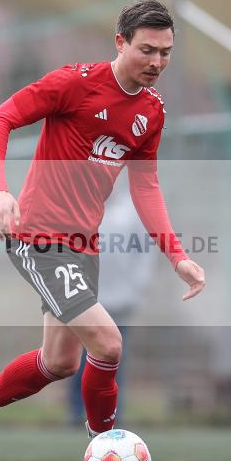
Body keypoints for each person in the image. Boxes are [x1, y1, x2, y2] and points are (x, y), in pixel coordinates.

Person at [0, 0, 206, 461]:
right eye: (146, 50)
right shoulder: (74, 82)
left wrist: (178, 256)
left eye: (166, 53)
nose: (156, 62)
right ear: (120, 43)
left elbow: (146, 187)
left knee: (59, 362)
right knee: (108, 342)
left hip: (83, 245)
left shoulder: (151, 113)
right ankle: (107, 450)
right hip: (39, 238)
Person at [67, 176, 155, 427]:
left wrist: (137, 286)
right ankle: (77, 410)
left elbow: (144, 253)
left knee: (114, 358)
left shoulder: (132, 210)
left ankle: (110, 413)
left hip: (121, 299)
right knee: (80, 357)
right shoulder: (82, 206)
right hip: (87, 297)